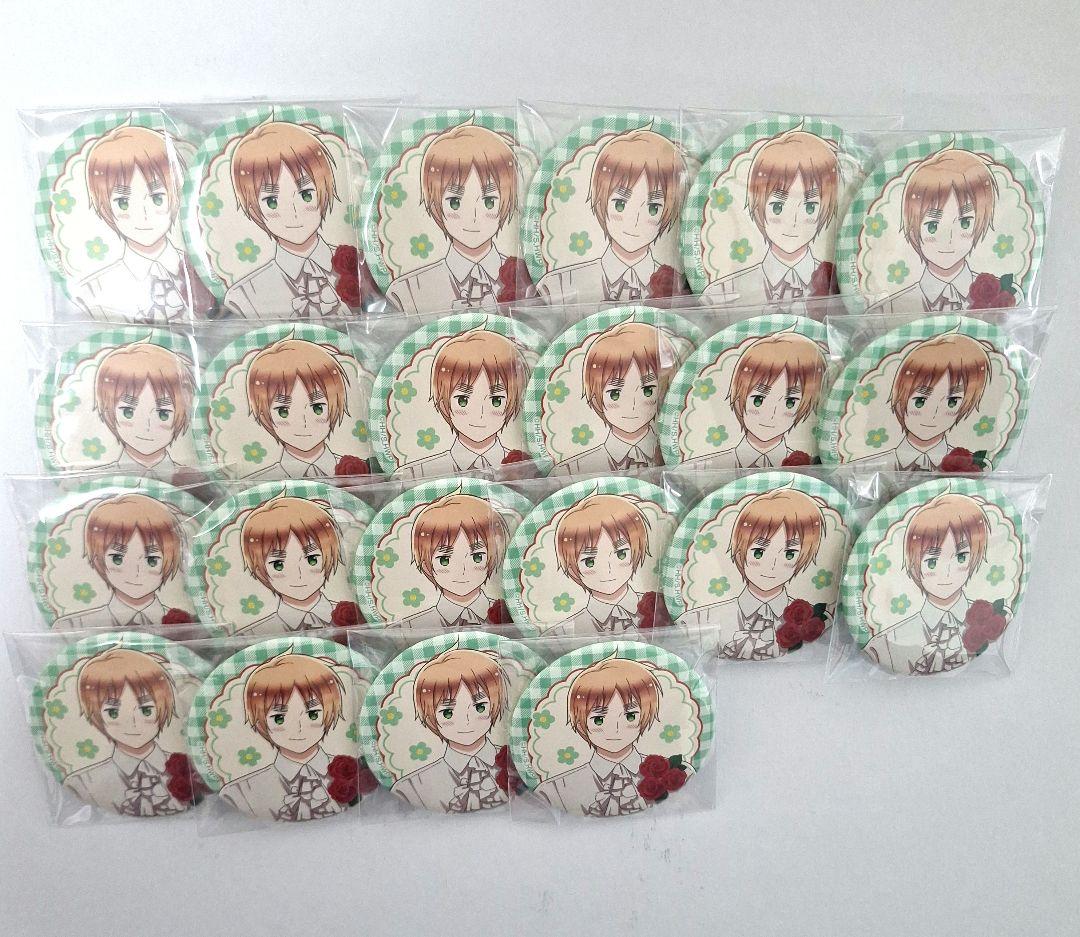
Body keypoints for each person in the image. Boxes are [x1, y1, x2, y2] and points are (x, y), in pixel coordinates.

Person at [75, 123, 214, 322]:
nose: (143, 215)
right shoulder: (93, 290)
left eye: (157, 198)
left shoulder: (206, 271)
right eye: (123, 203)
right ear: (104, 205)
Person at [386, 123, 525, 314]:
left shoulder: (527, 280)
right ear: (435, 203)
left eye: (489, 202)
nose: (473, 218)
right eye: (455, 203)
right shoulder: (406, 291)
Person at [536, 129, 687, 304]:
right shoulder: (559, 285)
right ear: (601, 201)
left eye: (653, 208)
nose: (634, 221)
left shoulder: (680, 286)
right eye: (620, 204)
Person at [223, 121, 353, 319]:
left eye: (306, 195)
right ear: (254, 208)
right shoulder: (243, 296)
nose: (293, 213)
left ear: (323, 189)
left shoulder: (359, 266)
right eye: (272, 202)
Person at [675, 488, 824, 659]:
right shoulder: (700, 619)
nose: (772, 566)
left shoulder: (816, 619)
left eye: (789, 554)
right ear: (740, 549)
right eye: (758, 552)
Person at [702, 129, 840, 305]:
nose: (793, 222)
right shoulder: (722, 293)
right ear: (758, 205)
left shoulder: (838, 288)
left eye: (810, 207)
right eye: (777, 207)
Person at [864, 492, 992, 674]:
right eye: (932, 562)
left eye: (961, 557)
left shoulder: (992, 618)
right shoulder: (887, 642)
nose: (947, 573)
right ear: (914, 563)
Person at [866, 148, 1004, 313]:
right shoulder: (887, 310)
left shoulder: (1006, 296)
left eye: (965, 223)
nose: (949, 240)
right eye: (933, 226)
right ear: (914, 228)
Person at [219, 652, 350, 821]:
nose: (298, 728)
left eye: (313, 714)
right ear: (260, 722)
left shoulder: (357, 772)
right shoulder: (239, 792)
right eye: (279, 718)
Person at [64, 647, 188, 816]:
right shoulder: (83, 782)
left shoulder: (193, 768)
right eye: (113, 713)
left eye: (146, 710)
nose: (132, 723)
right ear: (96, 715)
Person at [534, 656, 663, 817]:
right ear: (580, 723)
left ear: (646, 715)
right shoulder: (555, 789)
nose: (615, 729)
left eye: (630, 716)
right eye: (599, 720)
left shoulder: (670, 773)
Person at [395, 329, 528, 479]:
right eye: (462, 400)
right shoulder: (416, 473)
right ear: (444, 403)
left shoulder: (527, 468)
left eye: (496, 401)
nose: (480, 415)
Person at [682, 331, 826, 469]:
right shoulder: (705, 466)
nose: (770, 415)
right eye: (758, 400)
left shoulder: (810, 465)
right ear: (740, 396)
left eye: (790, 403)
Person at [391, 647, 509, 812]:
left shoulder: (517, 765)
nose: (466, 722)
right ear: (430, 715)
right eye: (448, 713)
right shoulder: (411, 786)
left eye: (480, 707)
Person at [551, 321, 677, 474]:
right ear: (596, 397)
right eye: (615, 394)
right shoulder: (570, 470)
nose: (632, 406)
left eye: (647, 390)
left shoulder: (684, 463)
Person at [53, 493, 185, 631]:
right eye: (117, 559)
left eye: (152, 560)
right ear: (99, 559)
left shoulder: (185, 624)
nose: (135, 573)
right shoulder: (72, 627)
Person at [392, 493, 508, 632]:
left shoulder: (510, 614)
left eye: (477, 557)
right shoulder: (408, 627)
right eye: (444, 560)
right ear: (426, 564)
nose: (462, 571)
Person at [879, 333, 991, 470]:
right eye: (920, 401)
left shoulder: (978, 468)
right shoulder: (866, 467)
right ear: (900, 397)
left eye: (952, 402)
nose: (933, 415)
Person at [246, 337, 351, 478]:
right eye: (283, 412)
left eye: (317, 408)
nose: (303, 423)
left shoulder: (364, 471)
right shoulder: (257, 481)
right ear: (265, 414)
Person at [236, 495, 344, 634]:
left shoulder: (358, 614)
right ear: (259, 570)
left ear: (329, 555)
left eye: (312, 559)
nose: (298, 575)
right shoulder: (251, 634)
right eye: (278, 565)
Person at [92, 340, 196, 481]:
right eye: (128, 412)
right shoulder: (94, 478)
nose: (146, 427)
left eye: (163, 414)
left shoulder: (195, 478)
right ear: (109, 411)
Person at [550, 494, 650, 635]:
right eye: (589, 562)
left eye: (621, 554)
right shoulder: (563, 633)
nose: (608, 570)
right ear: (572, 567)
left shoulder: (659, 606)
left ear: (637, 550)